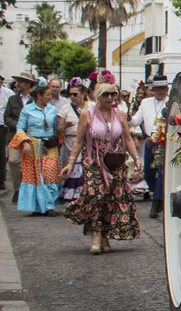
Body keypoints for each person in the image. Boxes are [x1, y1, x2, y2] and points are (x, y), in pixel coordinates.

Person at [63, 83, 141, 254]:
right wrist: (70, 162)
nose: (110, 98)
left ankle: (105, 235)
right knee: (95, 194)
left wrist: (136, 159)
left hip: (115, 161)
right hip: (93, 160)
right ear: (98, 95)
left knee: (112, 198)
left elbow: (127, 139)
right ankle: (96, 234)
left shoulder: (120, 114)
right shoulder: (87, 114)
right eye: (106, 94)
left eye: (113, 95)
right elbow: (79, 140)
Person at [15, 82, 62, 216]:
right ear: (39, 96)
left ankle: (49, 205)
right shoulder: (27, 109)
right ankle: (38, 207)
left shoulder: (52, 110)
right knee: (35, 176)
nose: (50, 97)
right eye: (47, 94)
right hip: (33, 144)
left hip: (49, 145)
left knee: (50, 174)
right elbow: (20, 128)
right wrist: (24, 142)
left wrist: (58, 135)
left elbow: (55, 128)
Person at [131, 75, 170, 218]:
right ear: (153, 90)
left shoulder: (172, 102)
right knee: (148, 172)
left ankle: (157, 202)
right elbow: (136, 120)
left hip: (164, 140)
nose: (161, 91)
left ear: (167, 89)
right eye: (158, 88)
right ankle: (158, 193)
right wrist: (127, 118)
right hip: (149, 140)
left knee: (162, 170)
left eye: (163, 88)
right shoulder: (145, 102)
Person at [5, 73, 36, 204]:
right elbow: (6, 117)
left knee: (30, 164)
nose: (18, 84)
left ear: (28, 84)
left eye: (22, 82)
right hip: (15, 136)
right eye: (18, 81)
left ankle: (28, 190)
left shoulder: (35, 99)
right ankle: (18, 189)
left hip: (31, 137)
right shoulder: (12, 99)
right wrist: (17, 125)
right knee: (13, 161)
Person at [57, 84, 86, 206]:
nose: (72, 97)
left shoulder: (91, 107)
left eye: (75, 94)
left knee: (84, 167)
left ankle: (83, 194)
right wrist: (65, 127)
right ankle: (72, 196)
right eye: (71, 95)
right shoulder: (65, 108)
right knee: (75, 167)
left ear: (83, 95)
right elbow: (59, 129)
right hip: (71, 141)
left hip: (87, 142)